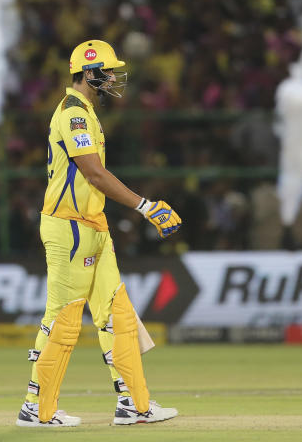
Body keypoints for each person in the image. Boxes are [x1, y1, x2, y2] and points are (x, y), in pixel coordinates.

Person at [16, 40, 182, 428]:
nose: (112, 78)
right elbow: (93, 173)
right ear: (89, 73)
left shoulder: (85, 111)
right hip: (68, 225)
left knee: (117, 313)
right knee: (64, 317)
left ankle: (134, 404)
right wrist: (145, 206)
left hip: (92, 224)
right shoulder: (73, 114)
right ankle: (35, 408)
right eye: (107, 72)